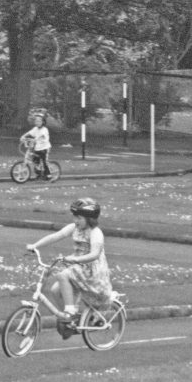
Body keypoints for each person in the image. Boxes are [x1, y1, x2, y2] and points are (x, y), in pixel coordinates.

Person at [25, 198, 114, 337]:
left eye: (79, 217)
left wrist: (75, 259)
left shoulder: (95, 233)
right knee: (55, 290)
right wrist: (35, 245)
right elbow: (56, 236)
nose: (75, 220)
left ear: (90, 219)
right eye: (74, 217)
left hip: (92, 271)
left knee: (62, 275)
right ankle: (70, 320)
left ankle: (70, 311)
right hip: (78, 267)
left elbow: (95, 254)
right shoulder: (74, 228)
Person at [20, 113, 51, 180]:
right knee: (35, 161)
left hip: (44, 148)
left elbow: (42, 135)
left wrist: (36, 139)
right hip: (37, 148)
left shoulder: (44, 129)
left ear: (43, 122)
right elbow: (29, 133)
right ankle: (39, 173)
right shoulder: (35, 129)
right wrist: (23, 136)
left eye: (39, 121)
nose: (37, 122)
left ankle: (48, 174)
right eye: (36, 121)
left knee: (44, 161)